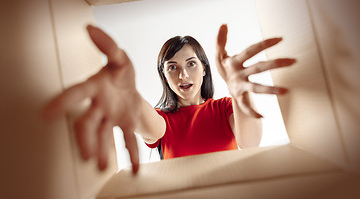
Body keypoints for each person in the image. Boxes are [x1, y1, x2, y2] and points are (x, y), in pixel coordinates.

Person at [42, 24, 295, 174]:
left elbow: (250, 143)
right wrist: (129, 95)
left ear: (205, 68)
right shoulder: (162, 120)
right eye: (172, 67)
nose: (183, 74)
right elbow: (147, 122)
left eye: (191, 63)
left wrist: (241, 96)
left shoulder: (226, 108)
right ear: (164, 75)